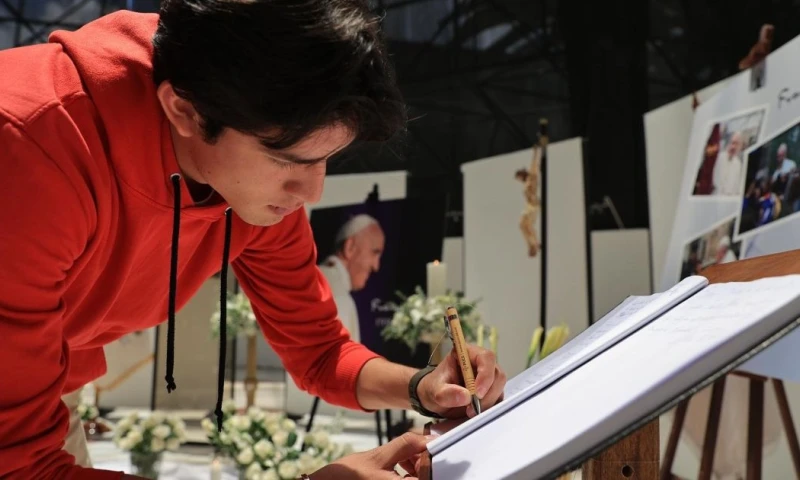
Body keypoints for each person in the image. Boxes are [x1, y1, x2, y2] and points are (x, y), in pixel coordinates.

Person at [0, 2, 507, 479]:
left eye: (326, 157)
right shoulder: (32, 152)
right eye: (289, 158)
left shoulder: (250, 184)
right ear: (186, 110)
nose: (312, 190)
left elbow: (319, 350)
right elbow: (20, 468)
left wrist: (423, 387)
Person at [319, 214, 385, 343]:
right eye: (374, 252)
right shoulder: (339, 299)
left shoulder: (314, 277)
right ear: (350, 248)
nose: (376, 266)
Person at [712, 131, 744, 196]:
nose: (734, 147)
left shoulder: (738, 164)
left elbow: (736, 187)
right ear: (729, 143)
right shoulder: (719, 157)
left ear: (740, 147)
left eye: (737, 144)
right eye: (733, 143)